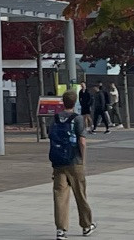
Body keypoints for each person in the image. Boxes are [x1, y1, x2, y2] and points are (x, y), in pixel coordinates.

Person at [47, 89, 95, 238]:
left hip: (58, 162)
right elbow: (82, 141)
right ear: (75, 102)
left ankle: (61, 230)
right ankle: (86, 225)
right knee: (80, 194)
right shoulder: (78, 118)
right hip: (75, 161)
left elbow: (51, 137)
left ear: (63, 101)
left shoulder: (55, 118)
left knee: (60, 196)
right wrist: (83, 159)